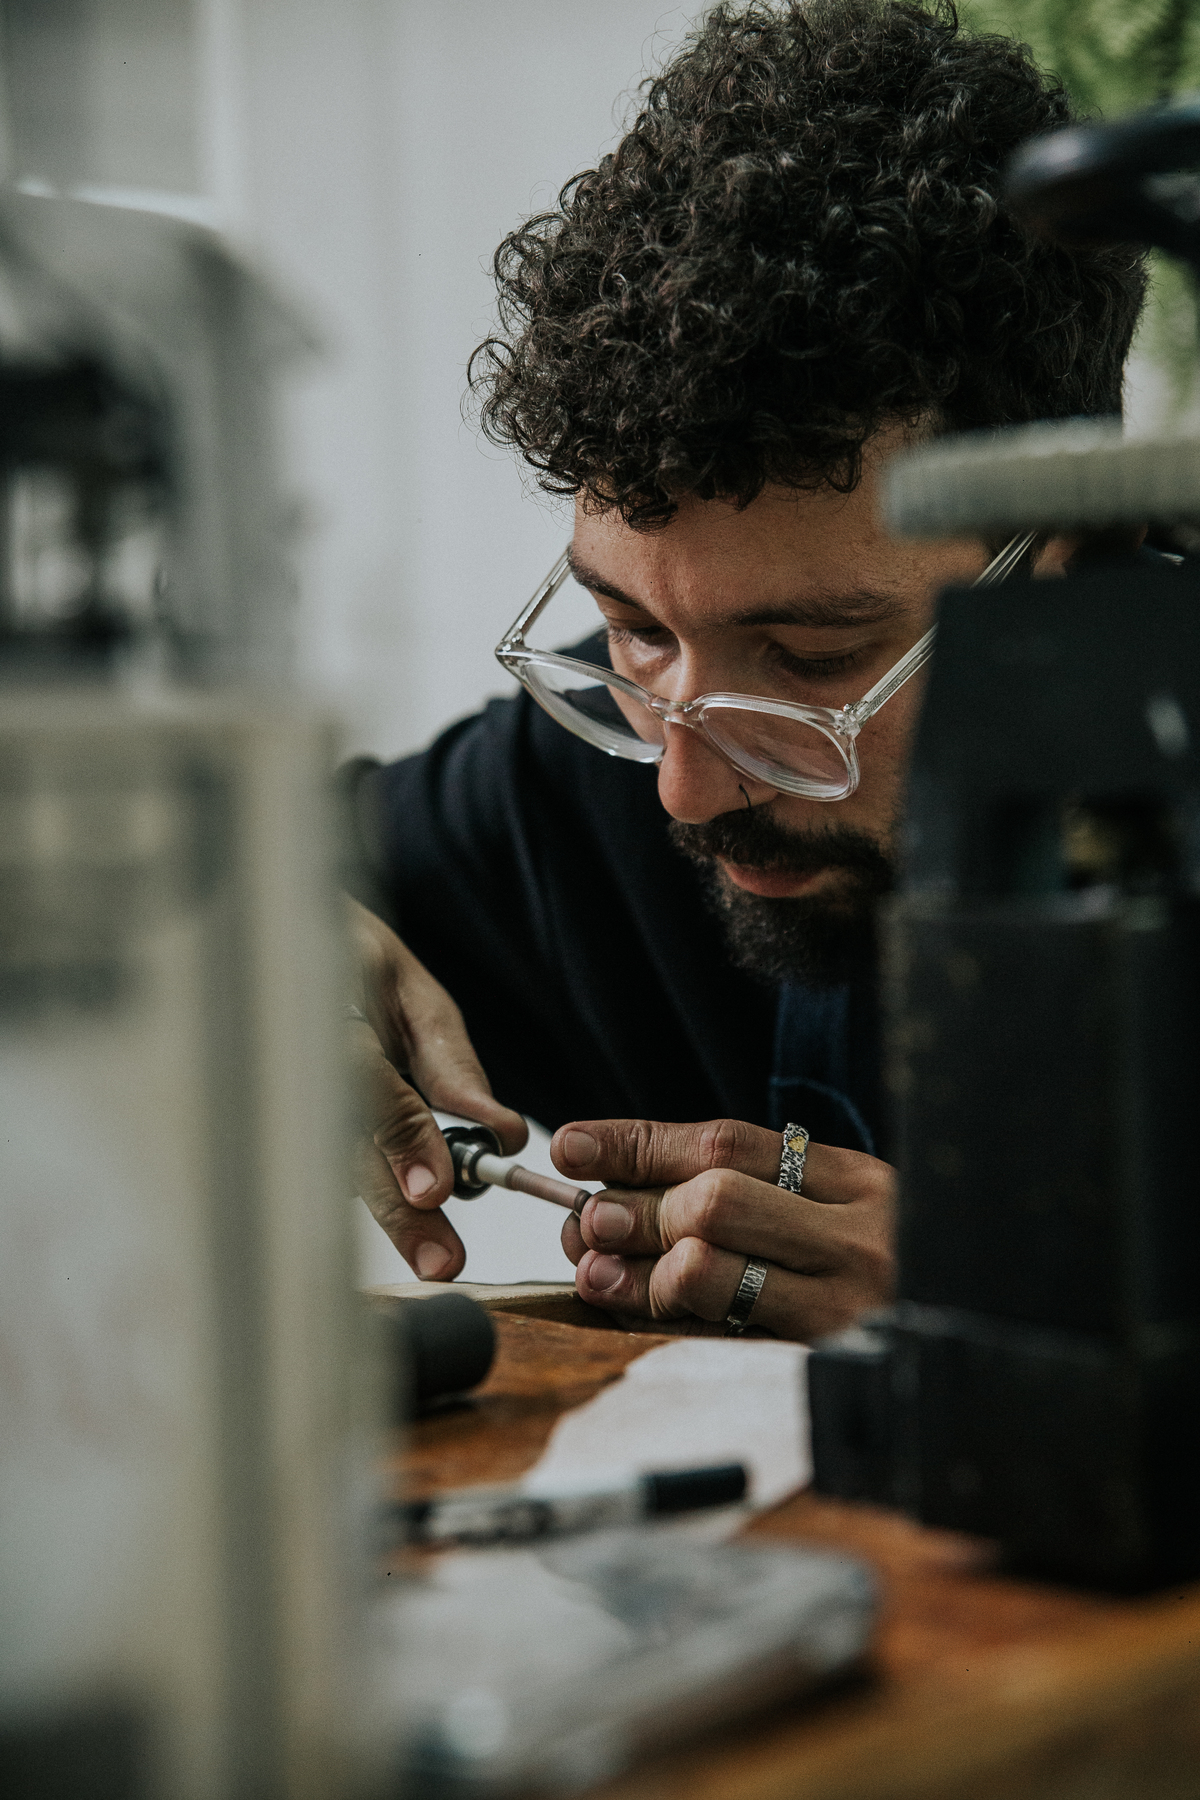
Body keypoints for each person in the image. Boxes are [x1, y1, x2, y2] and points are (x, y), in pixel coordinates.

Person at [343, 0, 1145, 1340]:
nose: (684, 784)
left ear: (1060, 552)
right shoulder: (595, 786)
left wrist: (1053, 1311)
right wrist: (260, 948)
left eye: (815, 657)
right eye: (634, 628)